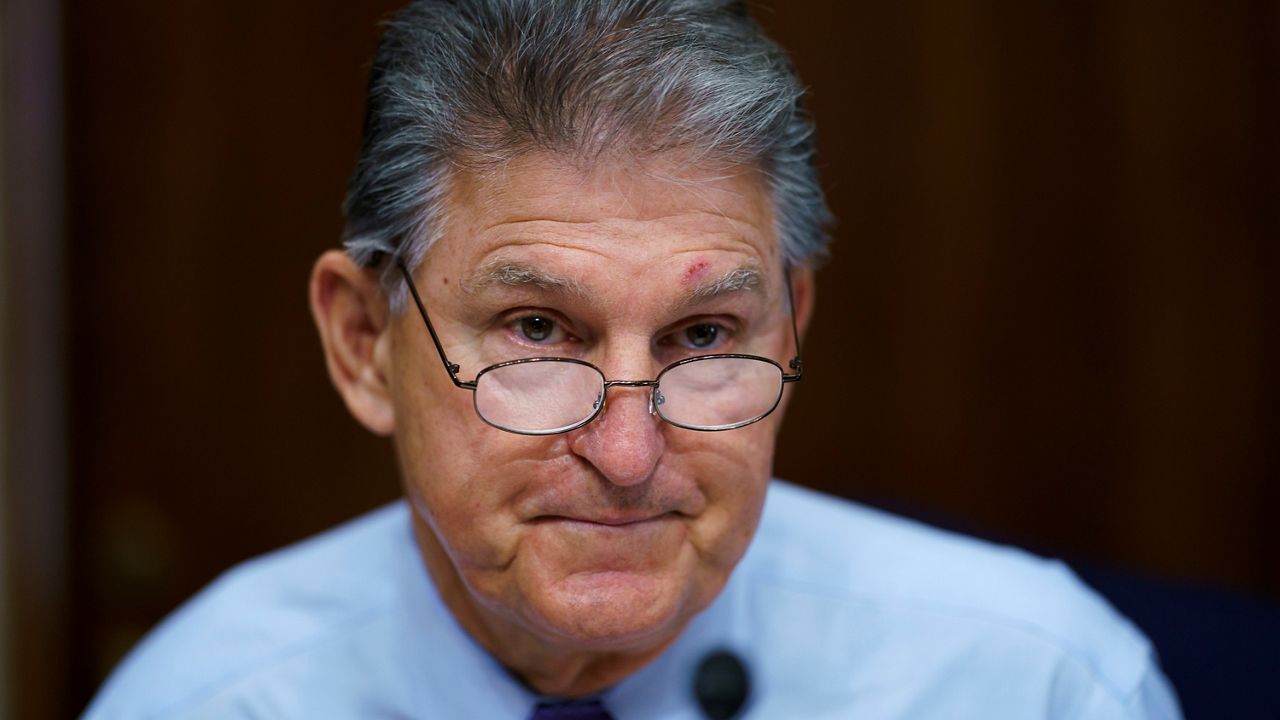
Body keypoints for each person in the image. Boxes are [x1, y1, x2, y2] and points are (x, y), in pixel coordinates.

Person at [84, 1, 1181, 718]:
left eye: (701, 337)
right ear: (364, 344)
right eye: (535, 330)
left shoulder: (1035, 682)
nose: (626, 450)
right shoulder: (202, 701)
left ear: (789, 325)